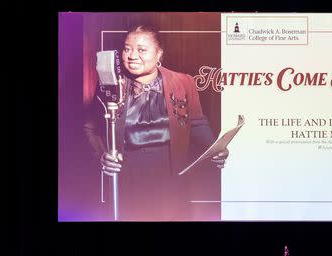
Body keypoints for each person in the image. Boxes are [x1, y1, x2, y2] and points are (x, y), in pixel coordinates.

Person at [84, 25, 228, 220]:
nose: (132, 55)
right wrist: (103, 155)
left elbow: (198, 123)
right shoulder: (109, 84)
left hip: (172, 176)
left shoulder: (183, 82)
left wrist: (216, 149)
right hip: (128, 177)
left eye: (141, 50)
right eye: (127, 49)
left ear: (159, 53)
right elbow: (90, 127)